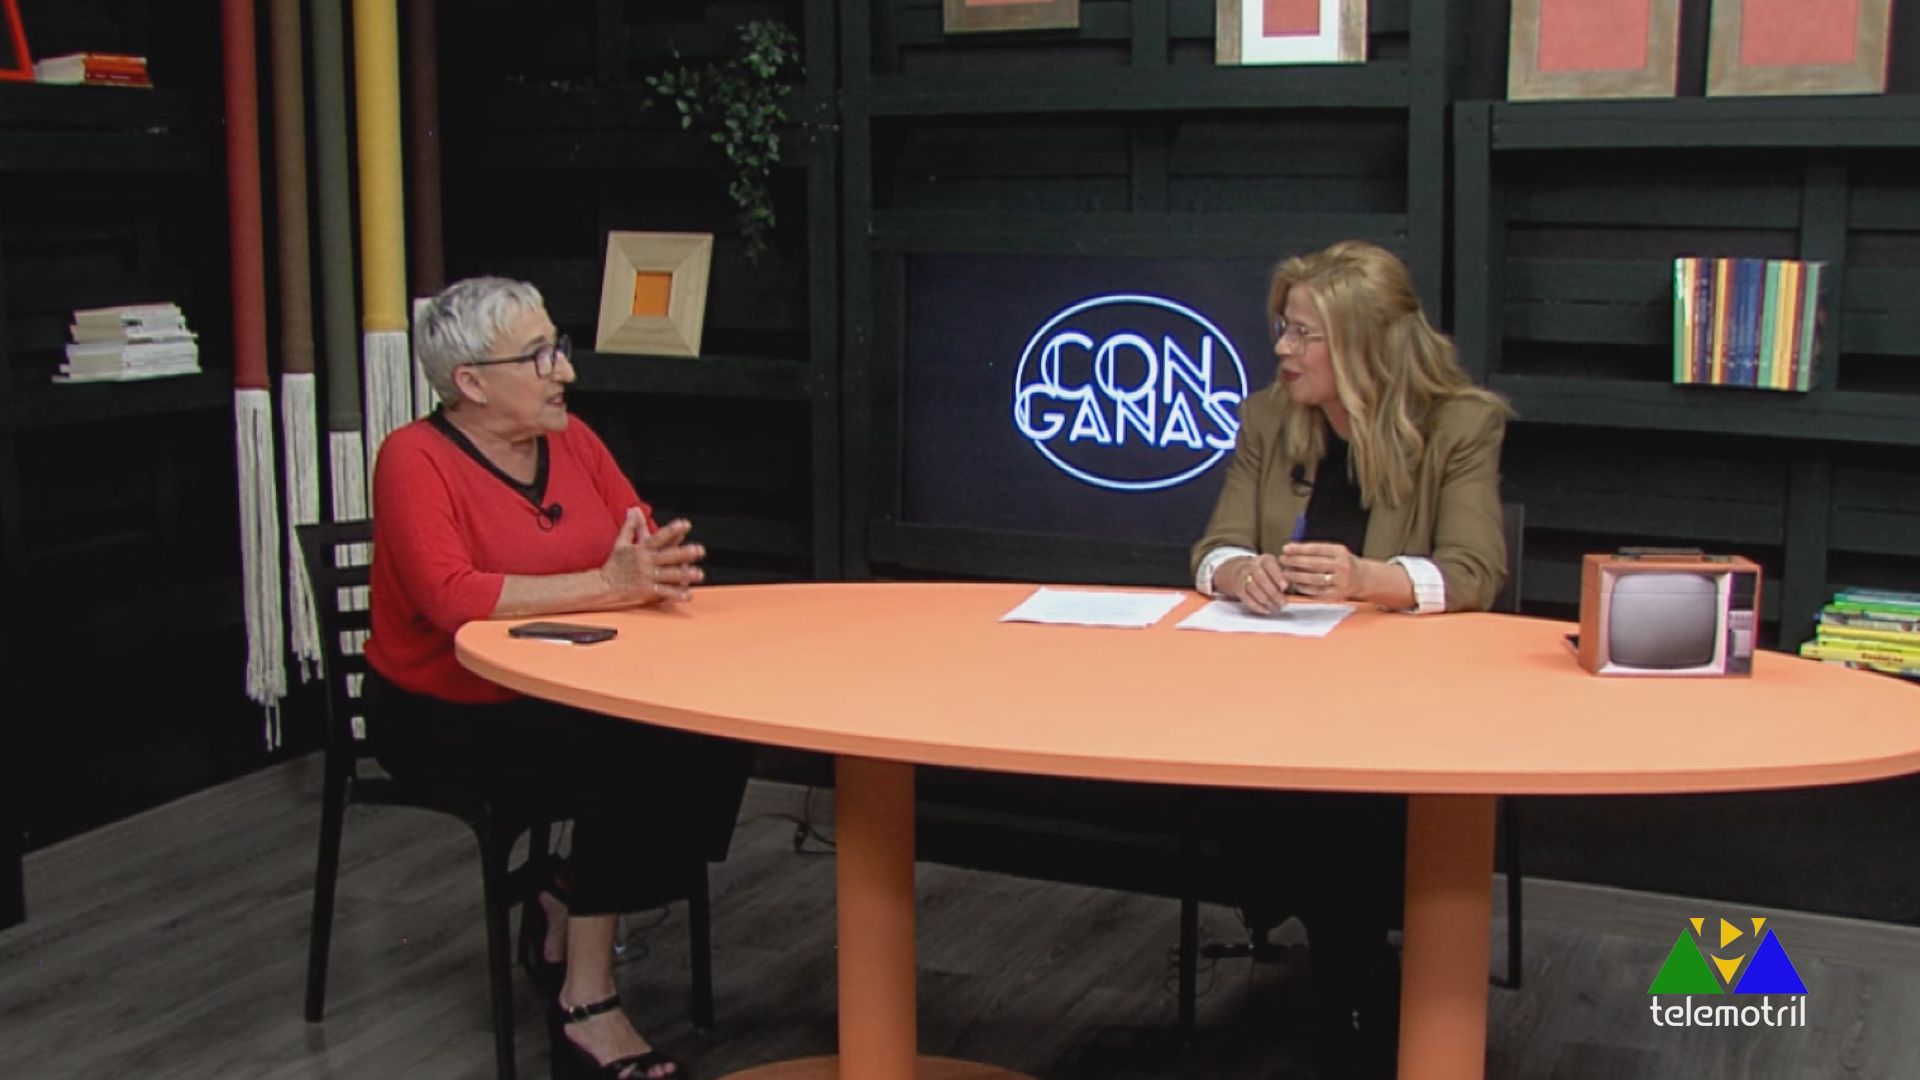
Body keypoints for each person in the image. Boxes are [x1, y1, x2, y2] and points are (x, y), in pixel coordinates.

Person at [366, 276, 749, 1080]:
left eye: (559, 348)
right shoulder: (413, 458)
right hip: (446, 708)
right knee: (626, 755)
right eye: (538, 356)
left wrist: (649, 568)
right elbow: (451, 597)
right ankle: (586, 1004)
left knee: (714, 731)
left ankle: (569, 893)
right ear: (471, 383)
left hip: (564, 687)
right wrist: (609, 585)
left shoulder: (573, 441)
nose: (564, 371)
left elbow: (637, 540)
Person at [1189, 241, 1509, 1061]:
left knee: (1338, 797)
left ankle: (1357, 983)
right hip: (1280, 690)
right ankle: (1350, 971)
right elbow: (1214, 548)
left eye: (1304, 334)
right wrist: (1241, 573)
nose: (1283, 350)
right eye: (1283, 328)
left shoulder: (1460, 425)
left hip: (1403, 700)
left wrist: (1370, 578)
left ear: (1365, 345)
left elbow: (1475, 572)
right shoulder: (1268, 418)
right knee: (1250, 774)